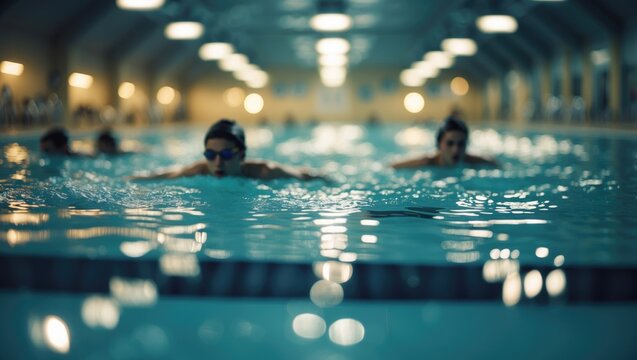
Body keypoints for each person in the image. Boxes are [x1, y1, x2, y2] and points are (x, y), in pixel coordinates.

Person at [129, 119, 324, 181]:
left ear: (241, 155)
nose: (218, 163)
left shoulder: (266, 171)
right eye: (210, 155)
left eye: (227, 154)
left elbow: (304, 175)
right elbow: (164, 175)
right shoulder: (200, 170)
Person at [391, 116, 497, 168]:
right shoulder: (427, 162)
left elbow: (495, 164)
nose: (456, 150)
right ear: (439, 145)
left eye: (461, 144)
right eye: (449, 143)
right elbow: (393, 166)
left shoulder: (472, 161)